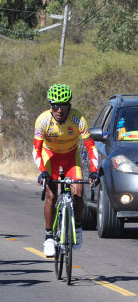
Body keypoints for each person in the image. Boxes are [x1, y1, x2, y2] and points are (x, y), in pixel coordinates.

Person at [33, 84, 99, 257]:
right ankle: (48, 237)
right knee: (51, 196)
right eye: (55, 106)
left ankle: (77, 227)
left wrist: (93, 171)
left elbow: (90, 147)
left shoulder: (78, 119)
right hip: (50, 157)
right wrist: (42, 170)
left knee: (78, 194)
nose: (59, 110)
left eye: (63, 106)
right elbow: (36, 149)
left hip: (71, 157)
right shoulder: (43, 120)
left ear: (69, 106)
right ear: (50, 106)